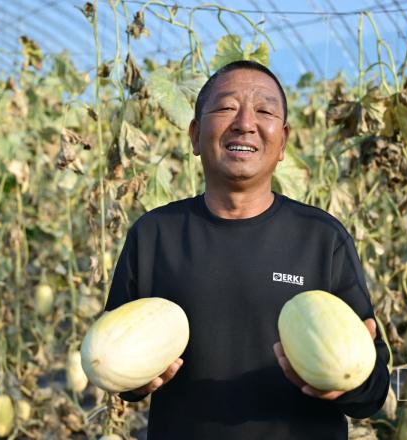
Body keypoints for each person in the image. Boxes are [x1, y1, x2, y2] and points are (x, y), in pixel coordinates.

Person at [104, 60, 390, 439]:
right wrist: (136, 382)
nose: (245, 122)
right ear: (194, 135)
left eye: (265, 110)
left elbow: (372, 392)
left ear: (283, 141)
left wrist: (351, 384)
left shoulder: (322, 237)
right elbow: (118, 366)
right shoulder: (154, 234)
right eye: (225, 107)